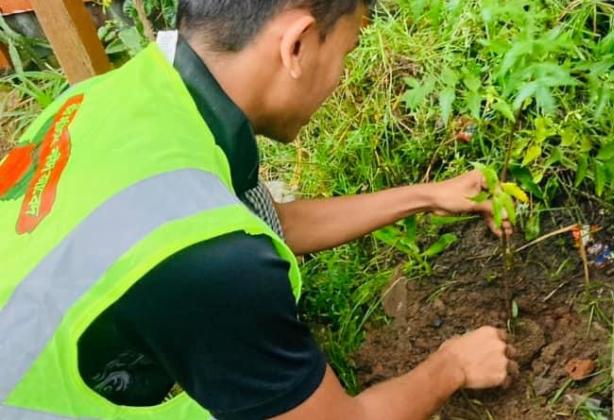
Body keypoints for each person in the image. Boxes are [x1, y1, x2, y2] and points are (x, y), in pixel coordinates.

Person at [0, 0, 517, 418]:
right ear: (297, 45)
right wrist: (452, 366)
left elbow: (269, 225)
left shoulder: (123, 98)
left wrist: (426, 195)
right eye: (347, 51)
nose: (340, 77)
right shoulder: (209, 262)